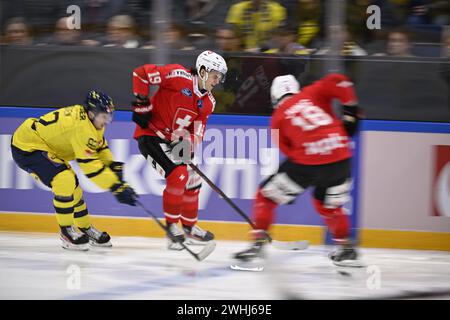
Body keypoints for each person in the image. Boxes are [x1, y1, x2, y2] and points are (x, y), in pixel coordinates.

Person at [233, 74, 363, 267]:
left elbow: (288, 151)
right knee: (328, 205)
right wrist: (351, 110)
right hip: (342, 158)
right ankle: (345, 246)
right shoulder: (311, 93)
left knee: (265, 197)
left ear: (274, 98)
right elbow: (339, 80)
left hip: (308, 160)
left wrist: (293, 184)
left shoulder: (276, 119)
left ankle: (257, 242)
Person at [11, 91, 138, 251]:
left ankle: (85, 228)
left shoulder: (94, 121)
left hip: (46, 145)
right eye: (104, 116)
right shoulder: (81, 127)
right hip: (27, 147)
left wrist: (111, 166)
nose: (107, 121)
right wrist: (116, 187)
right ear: (92, 113)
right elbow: (90, 166)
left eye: (109, 116)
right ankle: (66, 232)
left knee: (73, 187)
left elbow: (99, 145)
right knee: (64, 180)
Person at [131, 50, 227, 250]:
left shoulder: (208, 102)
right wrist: (141, 102)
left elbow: (198, 133)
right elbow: (140, 73)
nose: (217, 81)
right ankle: (172, 229)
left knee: (193, 179)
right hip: (150, 136)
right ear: (202, 71)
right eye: (215, 75)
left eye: (220, 77)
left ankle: (190, 227)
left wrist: (187, 142)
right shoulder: (177, 76)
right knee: (178, 175)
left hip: (172, 141)